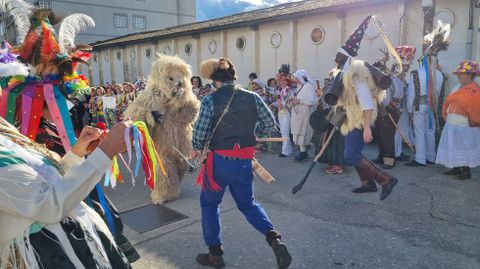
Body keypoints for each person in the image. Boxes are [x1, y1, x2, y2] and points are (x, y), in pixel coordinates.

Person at [192, 57, 291, 269]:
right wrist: (255, 134)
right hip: (244, 161)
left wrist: (198, 145)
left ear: (215, 80)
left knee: (210, 204)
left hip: (219, 162)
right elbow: (269, 123)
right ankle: (274, 239)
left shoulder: (210, 100)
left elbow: (199, 135)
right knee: (248, 204)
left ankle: (215, 254)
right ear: (233, 78)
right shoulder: (253, 96)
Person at [0, 116, 133, 268]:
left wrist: (77, 153)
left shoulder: (4, 130)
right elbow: (47, 206)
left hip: (77, 243)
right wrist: (107, 151)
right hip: (50, 255)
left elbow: (46, 181)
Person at [332, 15, 398, 200]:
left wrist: (367, 126)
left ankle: (385, 179)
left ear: (346, 58)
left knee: (351, 155)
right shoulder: (345, 75)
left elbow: (367, 103)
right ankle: (367, 184)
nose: (335, 60)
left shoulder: (355, 75)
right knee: (354, 153)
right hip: (352, 120)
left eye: (338, 57)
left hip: (360, 120)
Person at [406, 22, 449, 167]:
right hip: (432, 107)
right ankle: (431, 156)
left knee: (419, 132)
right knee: (430, 131)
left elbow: (411, 93)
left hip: (419, 105)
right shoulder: (440, 75)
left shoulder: (416, 74)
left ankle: (420, 158)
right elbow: (441, 93)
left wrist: (410, 109)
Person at [436, 60, 480, 180]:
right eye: (459, 73)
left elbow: (476, 107)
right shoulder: (457, 87)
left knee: (463, 146)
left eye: (462, 73)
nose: (459, 75)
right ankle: (456, 168)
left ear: (470, 75)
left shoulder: (475, 90)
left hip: (465, 125)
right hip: (452, 123)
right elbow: (448, 102)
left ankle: (466, 171)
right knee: (453, 145)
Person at [393, 46, 416, 162]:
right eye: (406, 65)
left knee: (401, 131)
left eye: (408, 65)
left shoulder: (401, 77)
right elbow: (396, 95)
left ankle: (398, 151)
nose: (408, 67)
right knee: (397, 131)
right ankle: (396, 153)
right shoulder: (395, 77)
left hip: (403, 109)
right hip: (398, 109)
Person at [291, 69, 317, 161]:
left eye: (297, 78)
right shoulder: (300, 86)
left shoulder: (308, 86)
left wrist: (300, 101)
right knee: (299, 132)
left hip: (306, 113)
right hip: (299, 114)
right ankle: (303, 151)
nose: (295, 80)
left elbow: (312, 101)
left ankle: (306, 152)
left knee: (305, 133)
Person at [276, 64, 293, 157]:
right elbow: (279, 100)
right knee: (283, 130)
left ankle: (285, 151)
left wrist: (280, 103)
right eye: (281, 81)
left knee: (285, 130)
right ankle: (287, 150)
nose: (282, 82)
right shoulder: (280, 90)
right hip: (281, 111)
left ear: (287, 81)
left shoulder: (288, 90)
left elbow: (285, 102)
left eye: (284, 81)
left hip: (286, 111)